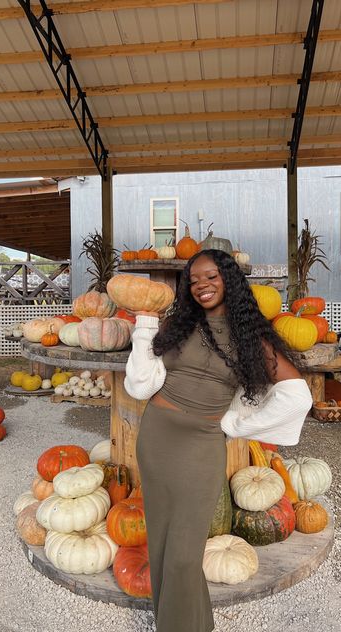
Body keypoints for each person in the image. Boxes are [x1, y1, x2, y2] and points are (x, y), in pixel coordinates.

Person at [123, 249, 312, 632]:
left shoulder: (250, 338)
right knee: (160, 541)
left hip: (201, 447)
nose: (201, 286)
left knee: (183, 553)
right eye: (193, 281)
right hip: (156, 438)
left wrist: (235, 425)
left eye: (210, 277)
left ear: (229, 280)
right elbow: (139, 385)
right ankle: (183, 623)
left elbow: (298, 396)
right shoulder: (177, 325)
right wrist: (144, 326)